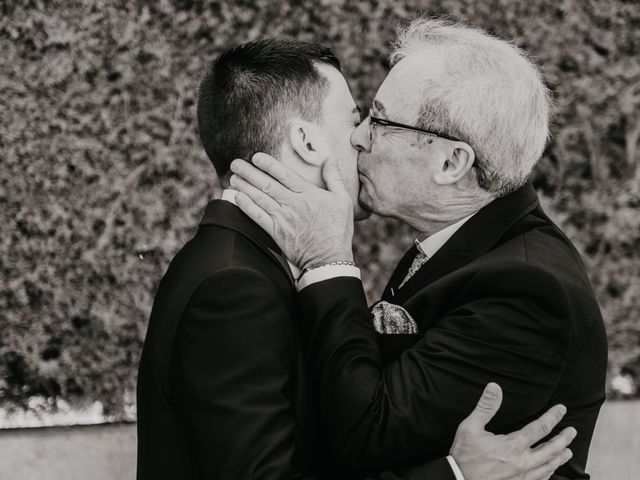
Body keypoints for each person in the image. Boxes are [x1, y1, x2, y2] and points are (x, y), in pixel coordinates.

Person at [137, 38, 575, 480]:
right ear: (307, 142)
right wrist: (455, 475)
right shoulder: (235, 286)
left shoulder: (249, 265)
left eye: (378, 120)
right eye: (355, 119)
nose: (362, 137)